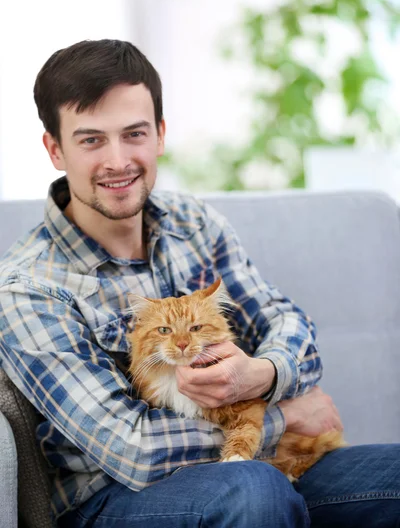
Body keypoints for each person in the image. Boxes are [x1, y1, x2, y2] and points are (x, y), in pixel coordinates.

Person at [0, 39, 398, 528]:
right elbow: (133, 450)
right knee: (254, 491)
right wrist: (282, 419)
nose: (118, 160)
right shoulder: (28, 288)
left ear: (161, 135)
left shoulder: (194, 224)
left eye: (134, 134)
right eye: (91, 140)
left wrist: (267, 373)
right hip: (116, 499)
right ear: (55, 149)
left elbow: (284, 320)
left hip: (259, 465)